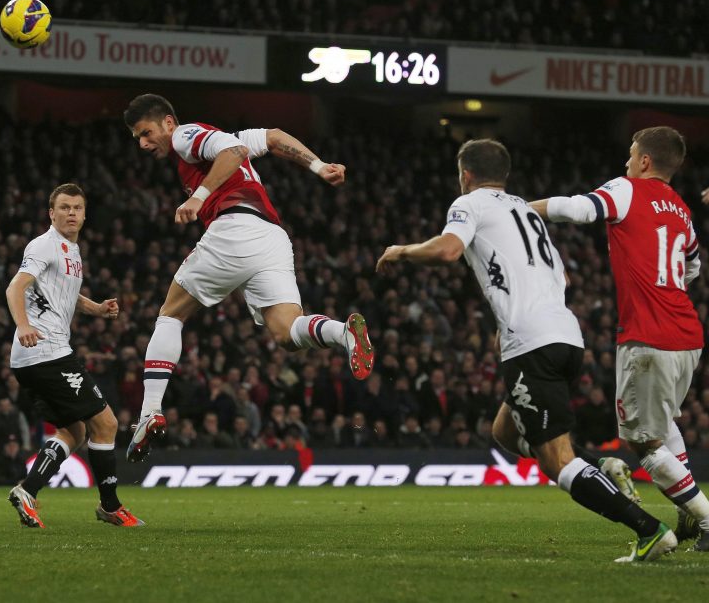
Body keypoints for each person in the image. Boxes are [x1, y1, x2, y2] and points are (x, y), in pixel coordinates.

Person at [376, 140, 673, 562]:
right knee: (506, 432)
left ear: (466, 174)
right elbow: (560, 276)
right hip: (565, 335)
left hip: (532, 341)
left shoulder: (470, 203)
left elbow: (448, 249)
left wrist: (401, 251)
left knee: (556, 462)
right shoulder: (521, 209)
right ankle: (603, 469)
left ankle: (649, 530)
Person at [122, 94, 374, 462]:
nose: (143, 144)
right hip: (270, 236)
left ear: (168, 123)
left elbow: (234, 155)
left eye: (146, 133)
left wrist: (199, 197)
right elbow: (272, 137)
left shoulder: (184, 136)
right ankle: (342, 333)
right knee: (287, 333)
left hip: (234, 228)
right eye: (137, 139)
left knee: (170, 314)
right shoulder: (223, 137)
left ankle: (149, 411)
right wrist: (318, 166)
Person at [532, 126, 709, 553]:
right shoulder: (682, 210)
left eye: (631, 154)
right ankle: (690, 512)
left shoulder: (627, 189)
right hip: (688, 332)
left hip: (648, 336)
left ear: (645, 161)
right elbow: (692, 268)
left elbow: (577, 209)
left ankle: (705, 518)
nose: (627, 161)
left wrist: (516, 209)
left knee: (643, 443)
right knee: (663, 423)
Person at [5, 183, 143, 528]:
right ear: (51, 213)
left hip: (34, 357)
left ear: (84, 214)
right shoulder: (44, 245)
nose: (71, 213)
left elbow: (61, 293)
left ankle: (28, 491)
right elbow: (15, 287)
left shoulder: (71, 250)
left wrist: (94, 308)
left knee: (75, 431)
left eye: (77, 208)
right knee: (106, 423)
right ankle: (110, 506)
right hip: (46, 352)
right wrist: (23, 325)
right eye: (64, 207)